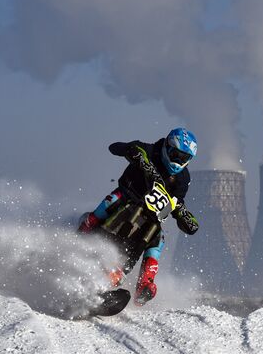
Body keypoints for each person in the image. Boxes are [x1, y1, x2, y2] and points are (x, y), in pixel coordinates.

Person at [78, 128, 199, 306]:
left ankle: (144, 283)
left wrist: (179, 210)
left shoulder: (183, 177)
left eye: (183, 159)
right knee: (114, 199)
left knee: (159, 237)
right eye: (175, 155)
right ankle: (87, 226)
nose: (177, 161)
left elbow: (177, 200)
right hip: (128, 197)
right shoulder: (150, 151)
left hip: (151, 216)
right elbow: (114, 147)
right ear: (167, 146)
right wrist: (133, 152)